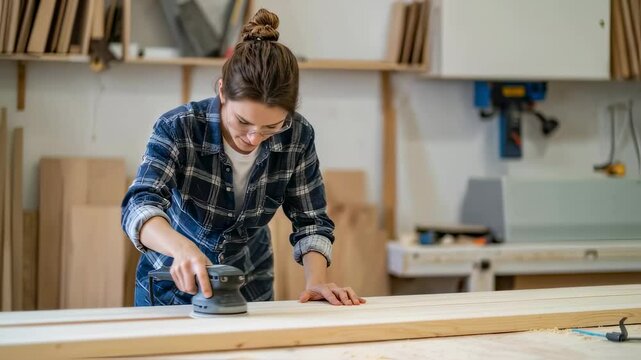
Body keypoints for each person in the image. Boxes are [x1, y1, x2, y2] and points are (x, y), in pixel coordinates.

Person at [121, 8, 366, 307]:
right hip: (173, 276)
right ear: (223, 91)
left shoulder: (298, 135)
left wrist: (316, 282)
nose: (253, 138)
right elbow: (139, 204)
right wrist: (181, 248)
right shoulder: (178, 127)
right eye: (243, 122)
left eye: (270, 127)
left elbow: (311, 221)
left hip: (248, 277)